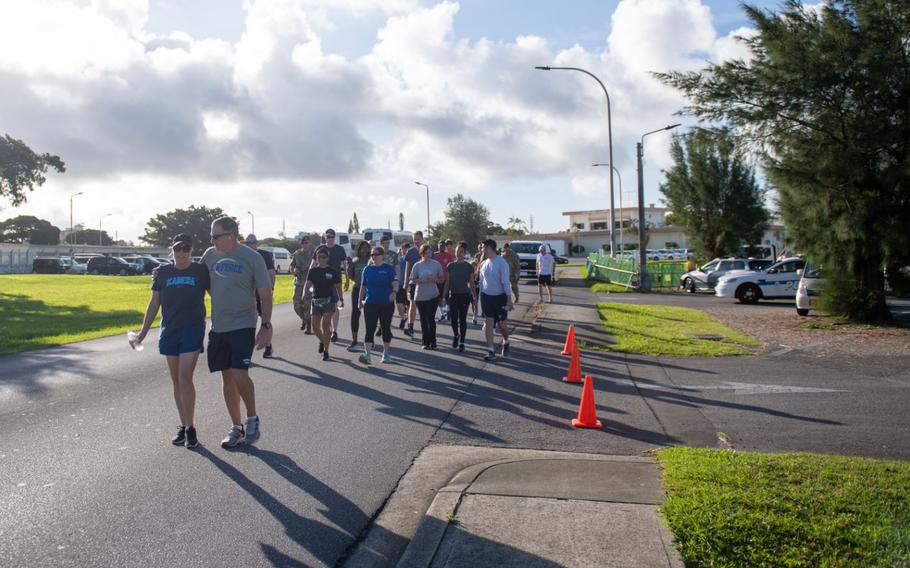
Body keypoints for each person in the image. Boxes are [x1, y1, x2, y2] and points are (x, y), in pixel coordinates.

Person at [202, 216, 272, 448]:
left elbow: (265, 294)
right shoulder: (210, 255)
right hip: (219, 325)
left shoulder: (252, 258)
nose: (211, 240)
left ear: (231, 235)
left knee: (238, 371)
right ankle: (236, 427)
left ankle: (252, 419)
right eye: (211, 235)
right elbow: (196, 279)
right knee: (226, 375)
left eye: (216, 236)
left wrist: (266, 326)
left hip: (244, 323)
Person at [134, 233, 209, 448]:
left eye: (186, 249)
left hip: (192, 328)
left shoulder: (200, 271)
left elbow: (217, 293)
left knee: (185, 377)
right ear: (172, 250)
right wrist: (142, 333)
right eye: (177, 249)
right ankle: (184, 425)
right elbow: (154, 303)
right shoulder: (163, 272)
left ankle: (191, 427)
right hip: (169, 331)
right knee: (176, 380)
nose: (181, 253)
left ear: (191, 251)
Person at [357, 245, 398, 364]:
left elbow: (395, 282)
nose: (374, 257)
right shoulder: (367, 269)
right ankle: (367, 355)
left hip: (386, 303)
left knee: (385, 329)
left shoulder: (388, 268)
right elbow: (363, 286)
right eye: (372, 255)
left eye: (376, 255)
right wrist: (360, 300)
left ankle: (386, 354)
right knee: (369, 329)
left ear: (382, 256)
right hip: (370, 303)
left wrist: (394, 292)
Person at [478, 238, 513, 361]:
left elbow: (506, 283)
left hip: (500, 297)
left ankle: (506, 341)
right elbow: (482, 284)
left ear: (488, 248)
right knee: (489, 323)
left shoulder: (502, 263)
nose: (481, 250)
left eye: (483, 247)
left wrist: (509, 300)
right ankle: (491, 350)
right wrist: (480, 301)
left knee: (502, 325)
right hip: (487, 297)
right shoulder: (483, 264)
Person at [310, 228, 346, 344]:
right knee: (324, 308)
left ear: (334, 237)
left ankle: (334, 331)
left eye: (332, 237)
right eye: (328, 236)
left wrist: (346, 280)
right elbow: (313, 264)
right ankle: (329, 330)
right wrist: (310, 278)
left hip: (335, 282)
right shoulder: (319, 249)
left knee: (335, 306)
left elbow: (344, 265)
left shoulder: (339, 249)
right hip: (320, 283)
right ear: (325, 237)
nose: (330, 239)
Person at [308, 247, 344, 361]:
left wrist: (340, 299)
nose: (321, 259)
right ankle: (323, 341)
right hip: (316, 301)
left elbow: (338, 286)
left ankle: (326, 351)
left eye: (323, 257)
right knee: (315, 327)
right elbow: (308, 283)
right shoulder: (313, 271)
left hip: (329, 300)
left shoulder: (332, 271)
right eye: (319, 257)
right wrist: (304, 293)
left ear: (327, 258)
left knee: (326, 324)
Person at [244, 234, 276, 358]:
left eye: (251, 242)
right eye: (247, 243)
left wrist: (270, 290)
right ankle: (244, 350)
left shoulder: (264, 255)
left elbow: (271, 273)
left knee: (265, 320)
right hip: (247, 294)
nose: (249, 245)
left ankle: (268, 345)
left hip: (262, 292)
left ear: (256, 243)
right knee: (246, 322)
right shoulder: (242, 255)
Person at [409, 243, 444, 349]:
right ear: (422, 253)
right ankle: (425, 342)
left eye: (430, 252)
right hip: (420, 296)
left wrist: (435, 280)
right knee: (423, 319)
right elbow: (412, 279)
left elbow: (442, 279)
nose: (428, 254)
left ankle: (433, 341)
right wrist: (420, 280)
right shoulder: (417, 265)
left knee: (430, 318)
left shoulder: (436, 264)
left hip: (433, 295)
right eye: (426, 253)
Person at [441, 241, 474, 352]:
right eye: (457, 252)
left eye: (461, 252)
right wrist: (444, 297)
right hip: (453, 296)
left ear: (464, 253)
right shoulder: (451, 266)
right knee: (453, 320)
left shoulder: (468, 267)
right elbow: (447, 283)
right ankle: (456, 335)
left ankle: (462, 342)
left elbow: (472, 283)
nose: (459, 254)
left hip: (464, 295)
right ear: (454, 253)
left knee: (462, 320)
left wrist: (474, 297)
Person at [346, 241, 372, 351]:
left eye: (367, 248)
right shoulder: (355, 261)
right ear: (358, 249)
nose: (364, 250)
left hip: (369, 290)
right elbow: (351, 276)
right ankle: (354, 340)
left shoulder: (371, 261)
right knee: (355, 314)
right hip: (356, 289)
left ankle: (369, 340)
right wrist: (349, 268)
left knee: (369, 315)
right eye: (362, 248)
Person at [375, 234, 400, 337]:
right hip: (378, 284)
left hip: (390, 284)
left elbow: (397, 269)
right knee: (378, 307)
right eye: (384, 243)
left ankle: (387, 328)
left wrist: (397, 282)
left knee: (389, 307)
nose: (386, 245)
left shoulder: (393, 255)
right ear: (381, 244)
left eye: (388, 243)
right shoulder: (376, 254)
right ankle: (380, 327)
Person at [403, 230, 425, 337]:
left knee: (424, 306)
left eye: (418, 239)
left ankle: (426, 327)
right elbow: (407, 268)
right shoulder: (410, 251)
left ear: (422, 239)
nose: (416, 241)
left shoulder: (427, 250)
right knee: (412, 303)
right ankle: (410, 326)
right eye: (414, 239)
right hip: (413, 282)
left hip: (425, 283)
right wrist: (406, 282)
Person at [290, 236, 314, 333]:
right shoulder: (297, 254)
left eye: (307, 242)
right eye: (304, 243)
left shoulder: (314, 254)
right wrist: (294, 272)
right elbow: (292, 265)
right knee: (296, 305)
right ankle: (304, 319)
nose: (305, 244)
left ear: (310, 244)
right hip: (299, 282)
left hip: (309, 283)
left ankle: (308, 326)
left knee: (307, 305)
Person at [433, 240, 455, 322]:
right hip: (437, 280)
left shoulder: (448, 256)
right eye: (440, 245)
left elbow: (452, 267)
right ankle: (442, 314)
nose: (441, 246)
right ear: (438, 245)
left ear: (445, 246)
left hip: (447, 280)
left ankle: (448, 312)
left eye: (443, 245)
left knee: (447, 297)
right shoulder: (434, 255)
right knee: (438, 297)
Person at [395, 242, 411, 329]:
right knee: (399, 304)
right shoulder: (398, 259)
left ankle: (408, 322)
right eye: (403, 249)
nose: (404, 251)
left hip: (409, 285)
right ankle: (403, 317)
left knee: (409, 305)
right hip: (400, 285)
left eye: (406, 249)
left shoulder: (410, 259)